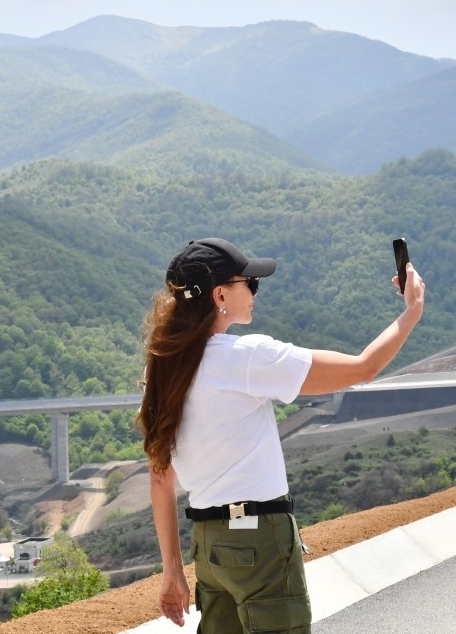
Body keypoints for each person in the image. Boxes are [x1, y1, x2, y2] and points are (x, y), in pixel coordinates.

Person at [136, 237, 425, 633]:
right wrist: (411, 312)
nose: (255, 290)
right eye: (248, 283)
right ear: (220, 294)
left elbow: (159, 478)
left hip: (209, 546)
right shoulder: (247, 357)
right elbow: (363, 368)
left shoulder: (162, 370)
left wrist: (172, 570)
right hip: (261, 540)